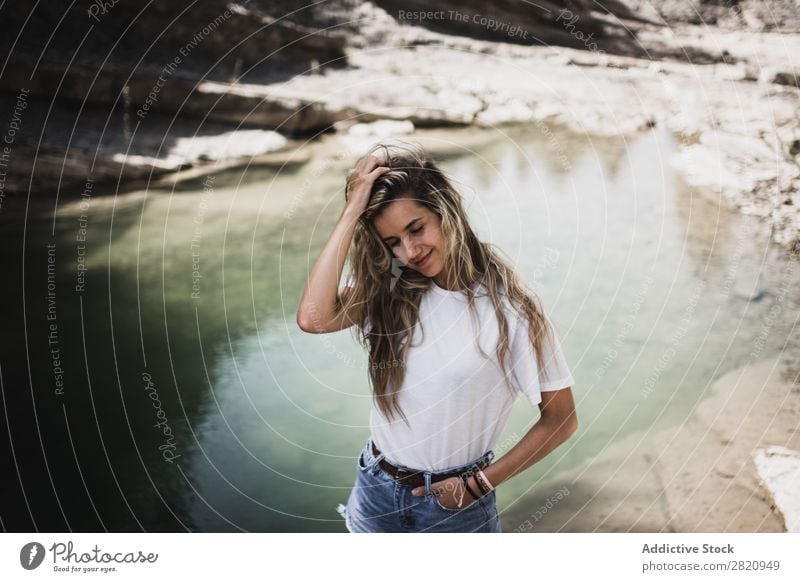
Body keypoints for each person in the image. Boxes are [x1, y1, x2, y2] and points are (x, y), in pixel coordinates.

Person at [296, 141, 577, 532]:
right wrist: (350, 213)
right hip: (375, 487)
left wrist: (480, 484)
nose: (410, 251)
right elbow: (313, 318)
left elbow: (561, 420)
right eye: (393, 242)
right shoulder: (387, 291)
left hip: (455, 505)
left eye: (417, 228)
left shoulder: (512, 309)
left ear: (446, 211)